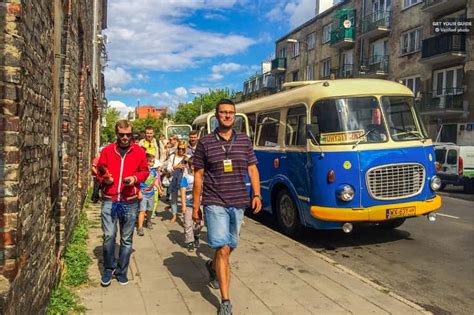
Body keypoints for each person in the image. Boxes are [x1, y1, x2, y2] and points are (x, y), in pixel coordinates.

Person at [192, 98, 262, 315]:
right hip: (214, 201)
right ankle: (225, 301)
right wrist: (195, 205)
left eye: (231, 112)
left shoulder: (244, 141)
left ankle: (212, 267)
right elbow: (198, 175)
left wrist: (257, 194)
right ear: (216, 115)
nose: (227, 116)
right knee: (222, 248)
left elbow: (252, 169)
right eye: (223, 112)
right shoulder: (205, 143)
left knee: (231, 246)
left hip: (238, 200)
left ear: (235, 115)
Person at [96, 119, 149, 287]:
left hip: (130, 200)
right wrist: (106, 178)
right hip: (110, 199)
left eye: (128, 135)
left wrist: (134, 179)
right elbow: (99, 170)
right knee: (109, 236)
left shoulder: (139, 151)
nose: (125, 138)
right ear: (116, 134)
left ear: (131, 134)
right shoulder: (107, 151)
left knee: (126, 239)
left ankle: (121, 271)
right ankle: (108, 268)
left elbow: (145, 171)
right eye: (121, 134)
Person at [179, 157, 203, 252]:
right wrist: (183, 205)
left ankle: (196, 235)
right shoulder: (186, 178)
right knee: (188, 224)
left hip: (200, 204)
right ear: (193, 167)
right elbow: (183, 191)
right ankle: (190, 242)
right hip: (189, 205)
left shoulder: (202, 177)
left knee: (200, 224)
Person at [137, 154, 162, 236]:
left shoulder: (153, 171)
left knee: (150, 210)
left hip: (151, 193)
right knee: (142, 210)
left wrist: (159, 189)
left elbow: (155, 181)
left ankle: (148, 221)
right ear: (147, 162)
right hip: (143, 193)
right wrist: (139, 192)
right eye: (152, 162)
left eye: (154, 162)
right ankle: (140, 227)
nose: (153, 163)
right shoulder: (141, 171)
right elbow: (137, 183)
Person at [165, 140, 188, 223]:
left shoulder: (187, 157)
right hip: (174, 179)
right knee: (174, 199)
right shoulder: (173, 157)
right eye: (179, 148)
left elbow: (191, 169)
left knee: (184, 199)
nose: (181, 150)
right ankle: (174, 215)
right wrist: (176, 167)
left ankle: (184, 215)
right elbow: (168, 168)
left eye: (183, 149)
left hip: (184, 179)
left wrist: (187, 165)